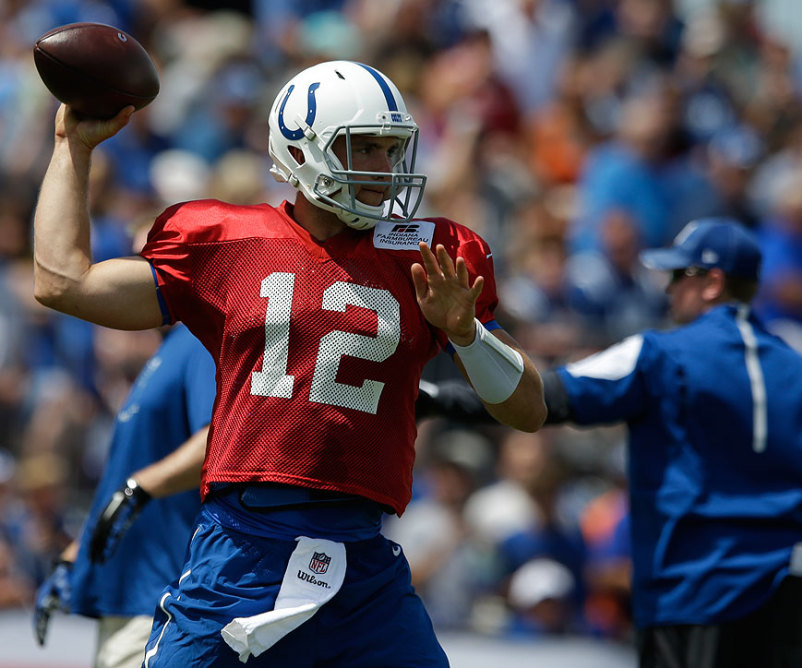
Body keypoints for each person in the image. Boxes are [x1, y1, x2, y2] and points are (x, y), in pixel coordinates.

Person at [32, 59, 545, 666]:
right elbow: (63, 281)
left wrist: (465, 332)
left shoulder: (429, 257)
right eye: (365, 149)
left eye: (391, 150)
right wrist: (73, 147)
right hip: (241, 550)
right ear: (301, 155)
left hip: (363, 565)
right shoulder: (228, 242)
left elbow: (527, 410)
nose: (385, 170)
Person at [541, 219, 802, 668]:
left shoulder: (662, 354)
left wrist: (443, 395)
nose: (667, 288)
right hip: (790, 599)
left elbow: (547, 396)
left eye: (679, 275)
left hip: (697, 593)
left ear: (712, 283)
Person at [33, 323, 216, 668]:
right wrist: (75, 556)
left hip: (161, 600)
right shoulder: (167, 351)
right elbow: (124, 477)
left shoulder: (198, 339)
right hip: (128, 598)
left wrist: (140, 488)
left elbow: (217, 438)